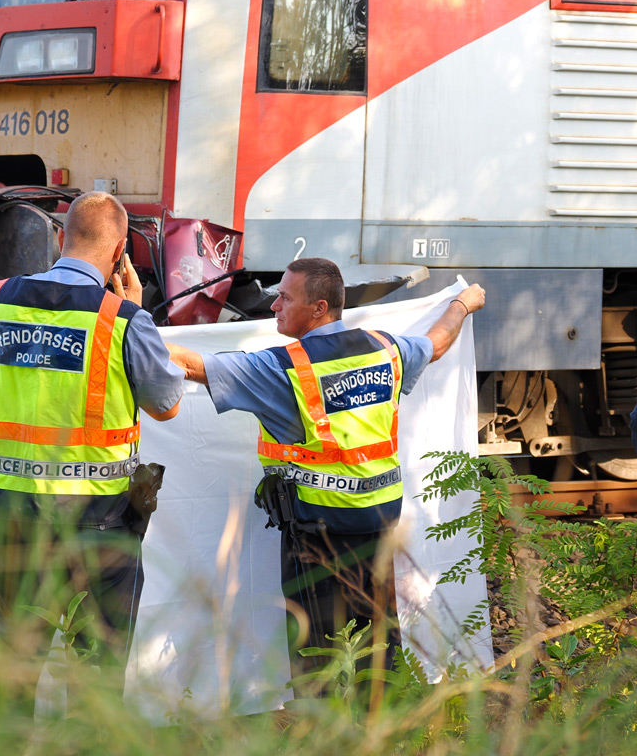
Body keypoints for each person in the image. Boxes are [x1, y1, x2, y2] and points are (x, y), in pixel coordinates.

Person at [167, 257, 485, 698]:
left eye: (284, 297)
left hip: (316, 539)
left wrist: (125, 322)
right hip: (378, 530)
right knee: (377, 644)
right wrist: (462, 305)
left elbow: (190, 365)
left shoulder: (284, 369)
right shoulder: (386, 349)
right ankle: (379, 734)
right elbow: (437, 342)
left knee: (316, 656)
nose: (273, 305)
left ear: (319, 308)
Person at [0, 191, 184, 715]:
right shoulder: (122, 320)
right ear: (120, 251)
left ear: (58, 238)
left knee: (8, 672)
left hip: (16, 521)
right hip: (102, 527)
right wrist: (134, 315)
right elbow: (166, 405)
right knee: (95, 683)